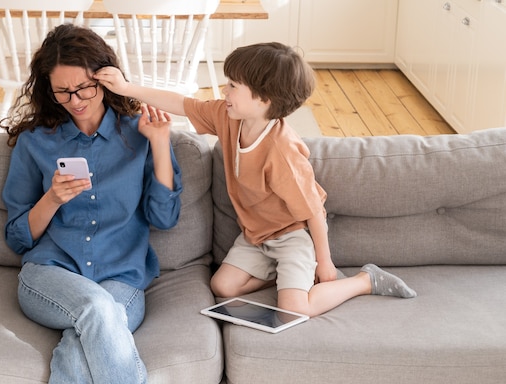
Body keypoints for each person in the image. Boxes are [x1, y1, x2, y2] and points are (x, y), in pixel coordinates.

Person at [95, 41, 416, 318]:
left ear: (264, 100)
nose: (225, 90)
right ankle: (287, 276)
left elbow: (314, 212)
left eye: (234, 85)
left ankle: (364, 281)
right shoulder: (228, 116)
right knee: (222, 286)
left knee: (296, 309)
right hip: (256, 237)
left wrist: (325, 263)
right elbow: (182, 104)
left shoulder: (282, 151)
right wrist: (126, 88)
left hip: (292, 237)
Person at [1, 24, 182, 384]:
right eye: (63, 91)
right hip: (50, 275)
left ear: (106, 79)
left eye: (85, 87)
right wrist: (51, 199)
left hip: (122, 280)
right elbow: (18, 238)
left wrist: (161, 144)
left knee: (76, 350)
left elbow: (163, 218)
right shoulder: (36, 142)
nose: (76, 100)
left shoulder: (142, 134)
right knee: (97, 310)